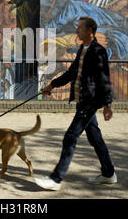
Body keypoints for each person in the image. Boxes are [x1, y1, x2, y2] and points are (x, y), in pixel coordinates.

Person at [34, 16, 116, 191]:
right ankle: (109, 174)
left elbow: (104, 79)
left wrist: (107, 104)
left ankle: (56, 179)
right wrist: (51, 85)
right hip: (81, 100)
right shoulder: (82, 49)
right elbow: (71, 73)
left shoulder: (98, 51)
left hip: (90, 101)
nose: (76, 30)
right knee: (95, 138)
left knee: (70, 137)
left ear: (90, 31)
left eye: (80, 28)